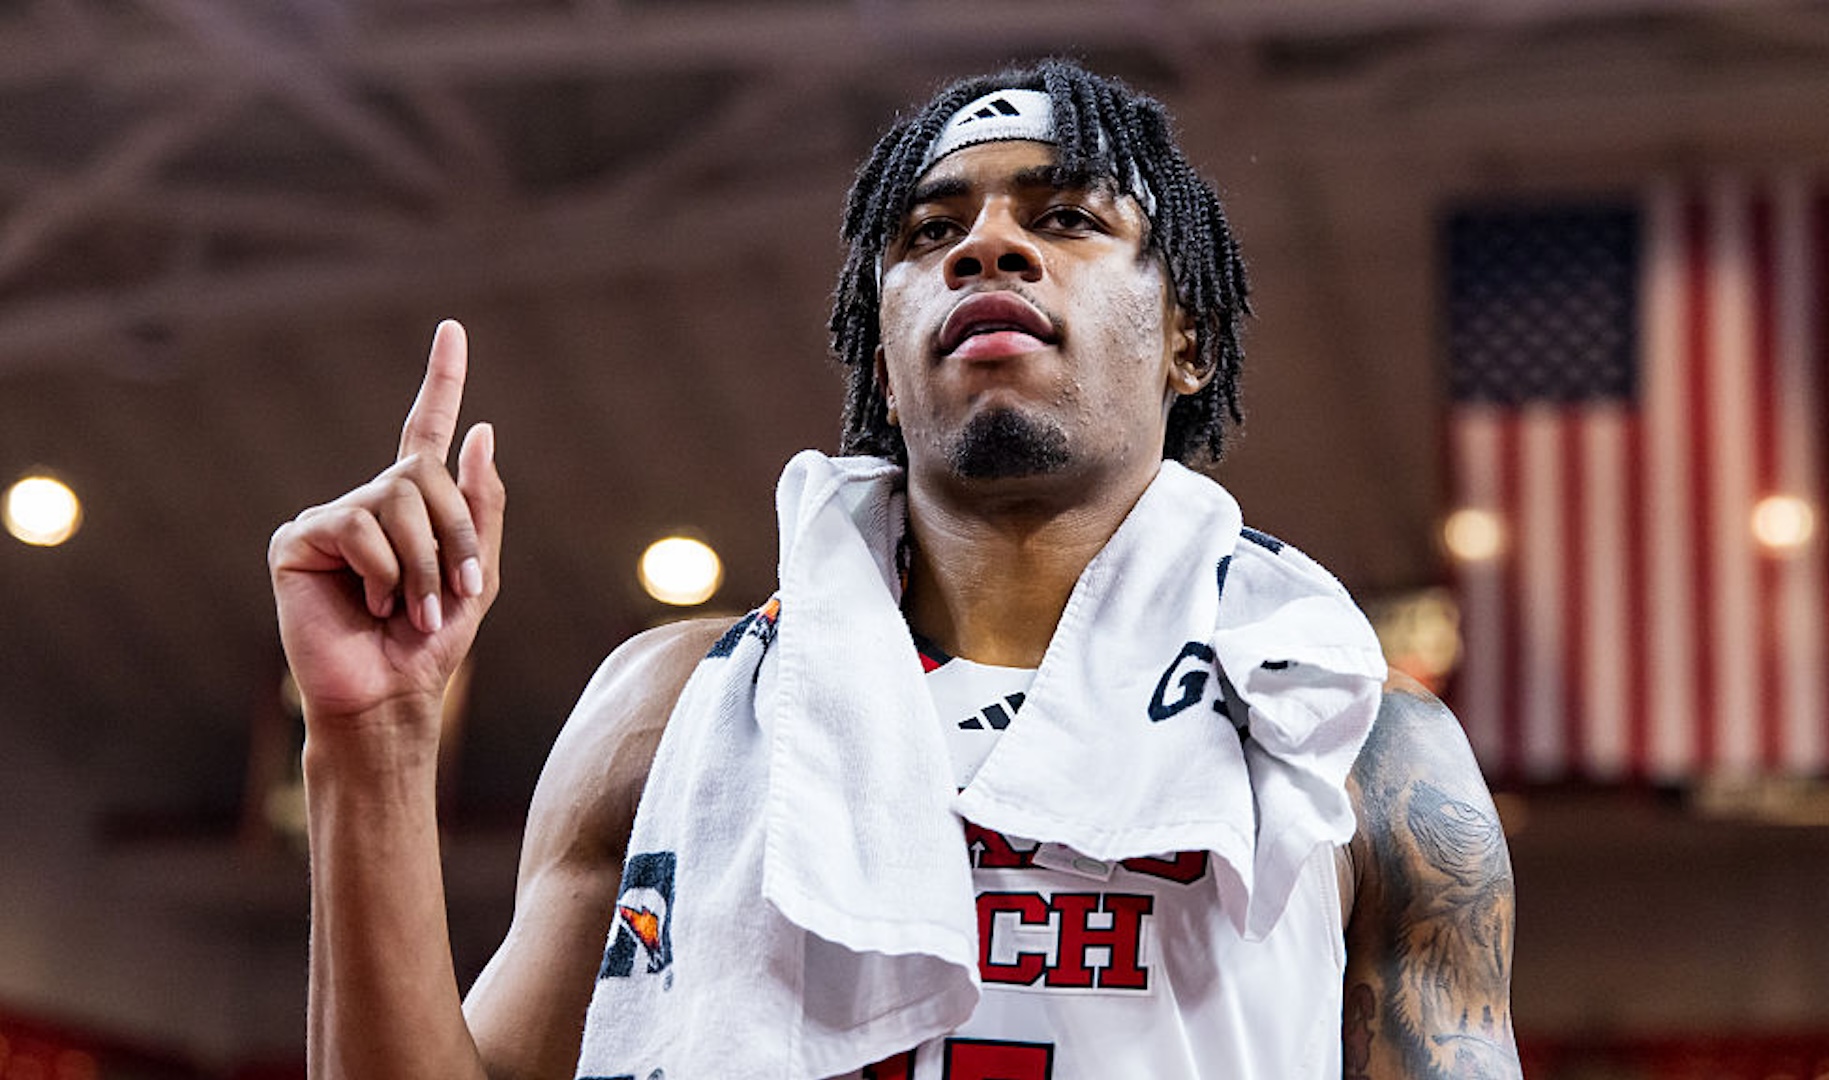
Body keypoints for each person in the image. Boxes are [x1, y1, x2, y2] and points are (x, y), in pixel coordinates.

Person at [269, 59, 1519, 1080]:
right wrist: (370, 742)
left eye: (1066, 217)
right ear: (883, 348)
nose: (988, 246)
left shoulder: (1355, 748)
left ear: (1186, 337)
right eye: (933, 231)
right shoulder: (668, 709)